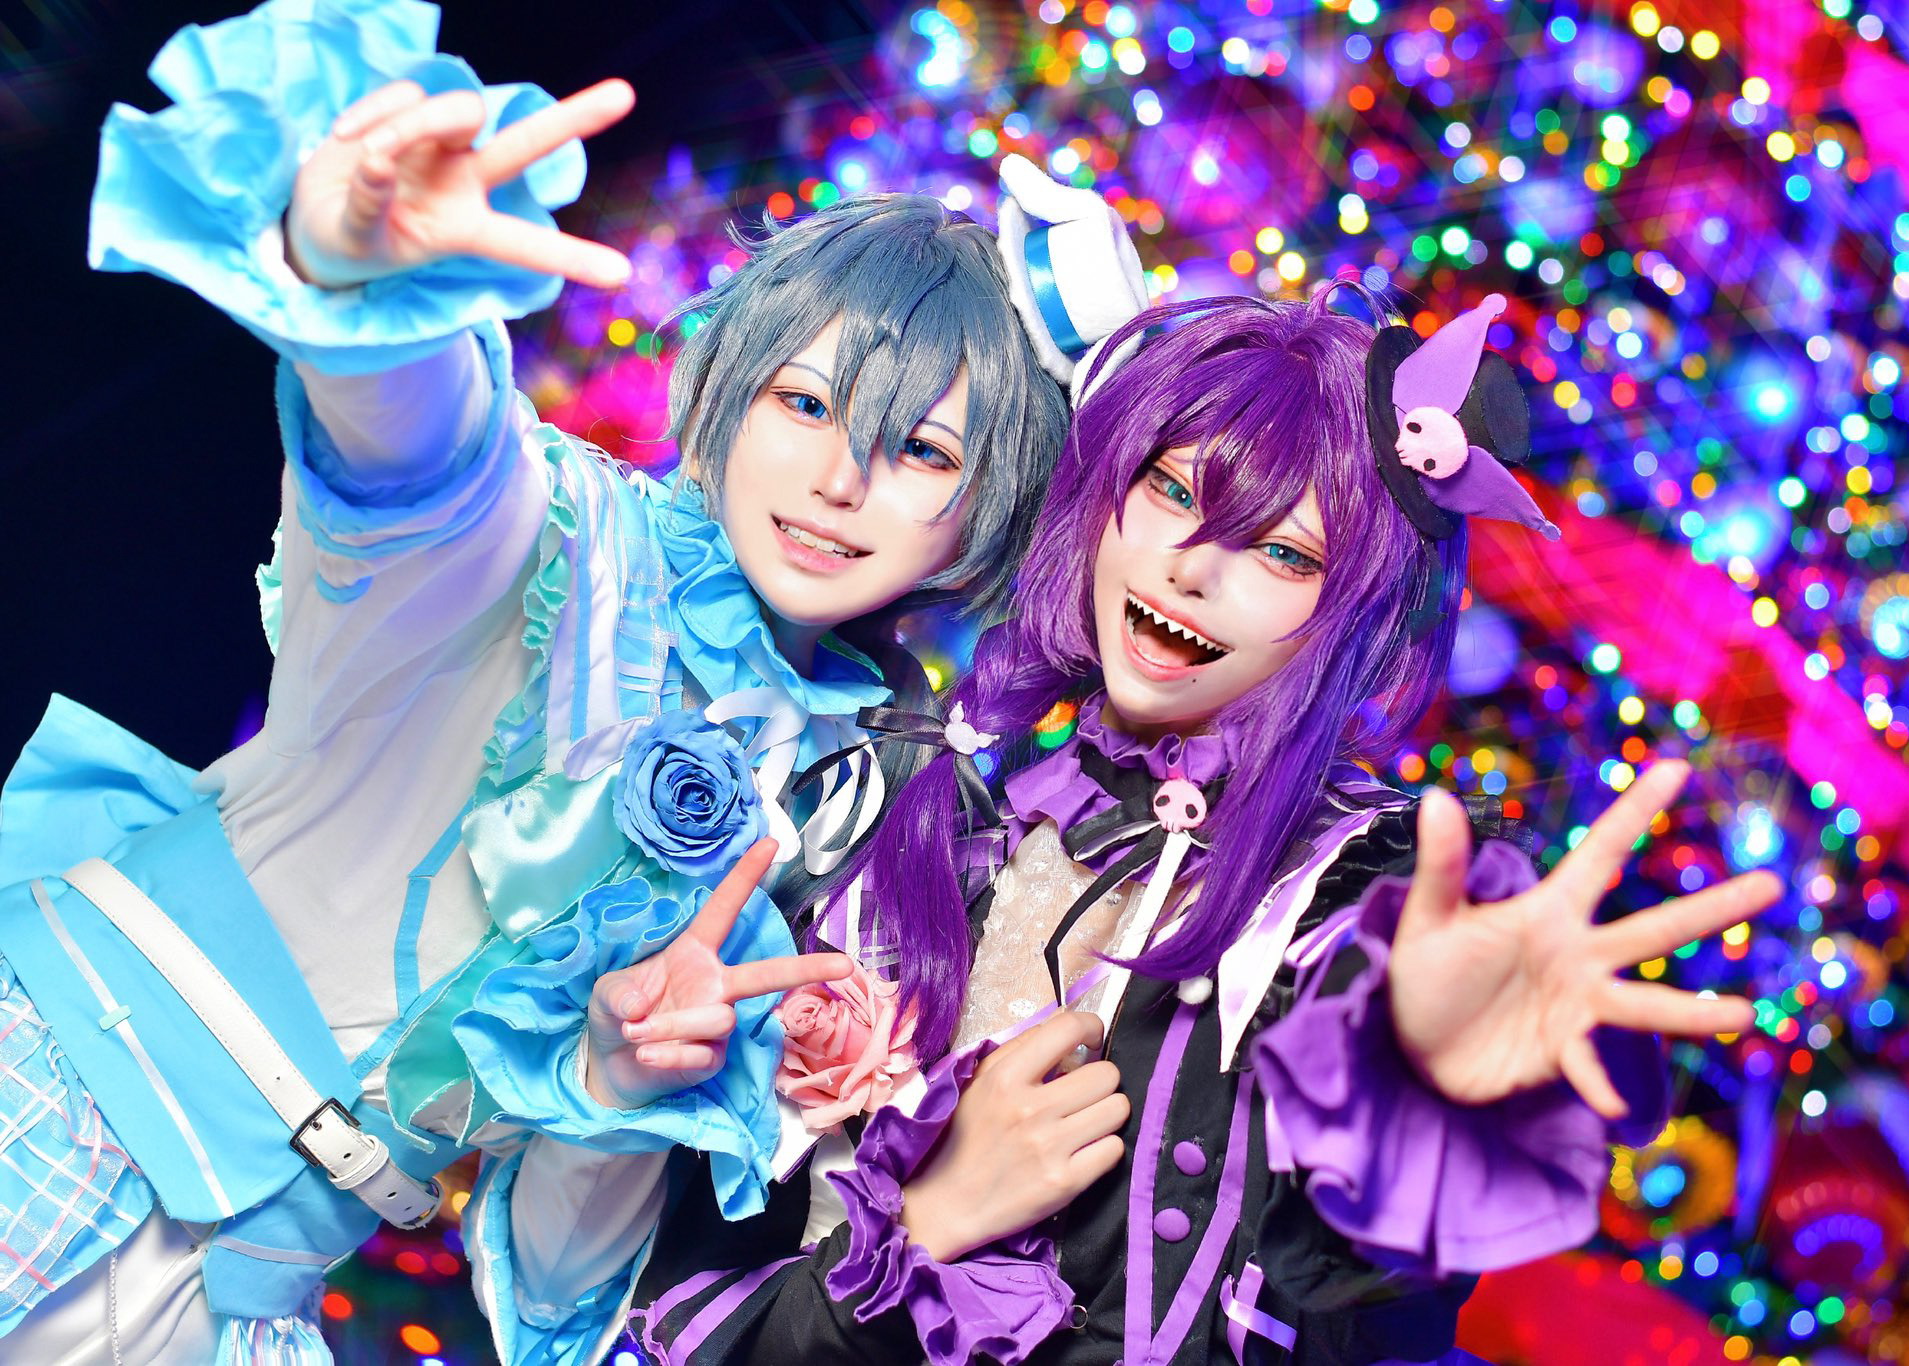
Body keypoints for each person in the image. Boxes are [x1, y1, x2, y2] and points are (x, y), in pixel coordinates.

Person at [0, 1, 1145, 1360]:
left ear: (983, 511)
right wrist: (359, 283)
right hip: (43, 1102)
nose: (842, 479)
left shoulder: (836, 815)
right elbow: (416, 458)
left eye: (923, 453)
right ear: (728, 390)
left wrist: (617, 1082)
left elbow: (552, 1286)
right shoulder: (557, 541)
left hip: (235, 1300)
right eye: (805, 402)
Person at [623, 285, 1779, 1363]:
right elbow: (697, 1321)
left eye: (1281, 552)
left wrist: (1416, 1070)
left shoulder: (1343, 896)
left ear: (1356, 616)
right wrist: (931, 1218)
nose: (1190, 569)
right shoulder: (919, 823)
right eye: (1172, 492)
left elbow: (1360, 1313)